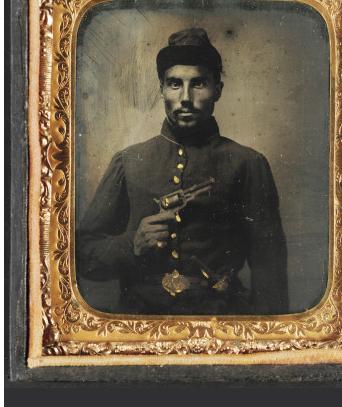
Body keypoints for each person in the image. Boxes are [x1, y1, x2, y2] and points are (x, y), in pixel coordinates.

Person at [77, 28, 288, 315]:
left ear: (218, 90)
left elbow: (270, 271)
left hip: (221, 322)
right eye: (174, 84)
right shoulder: (127, 162)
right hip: (140, 324)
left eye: (198, 83)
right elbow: (82, 257)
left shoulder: (248, 163)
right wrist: (132, 245)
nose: (185, 98)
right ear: (161, 89)